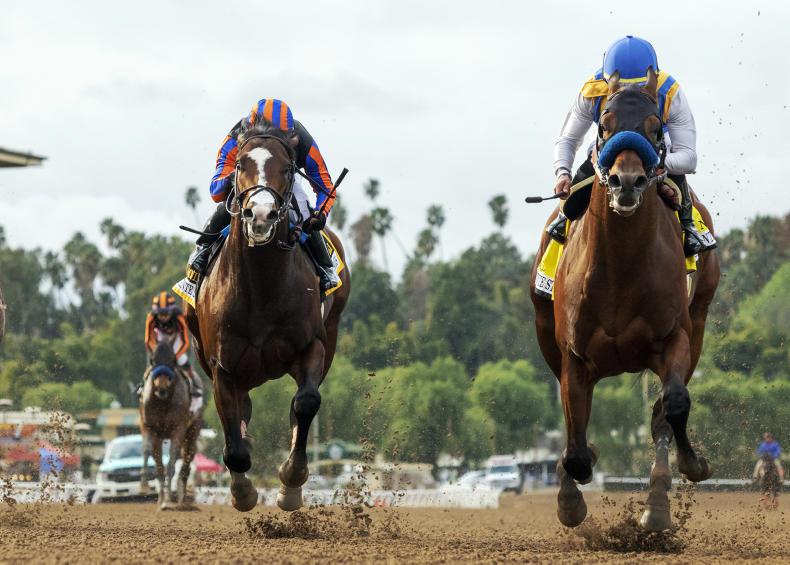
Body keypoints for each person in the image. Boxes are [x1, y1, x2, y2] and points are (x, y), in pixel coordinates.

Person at [548, 35, 716, 257]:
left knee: (679, 185)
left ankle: (689, 227)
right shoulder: (591, 90)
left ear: (653, 79)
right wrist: (562, 173)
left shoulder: (670, 91)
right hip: (607, 154)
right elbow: (568, 139)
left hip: (656, 152)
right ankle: (562, 226)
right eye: (621, 87)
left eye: (638, 86)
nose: (629, 93)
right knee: (570, 203)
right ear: (607, 81)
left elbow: (688, 158)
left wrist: (661, 163)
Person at [186, 98, 339, 291]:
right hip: (248, 176)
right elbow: (216, 192)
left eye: (278, 138)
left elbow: (325, 186)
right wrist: (235, 177)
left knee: (304, 209)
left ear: (291, 135)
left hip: (282, 176)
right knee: (232, 201)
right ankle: (203, 247)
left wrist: (321, 213)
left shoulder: (304, 141)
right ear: (249, 130)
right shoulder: (234, 138)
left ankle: (325, 265)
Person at [143, 292, 203, 414]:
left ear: (172, 311)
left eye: (166, 314)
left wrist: (175, 356)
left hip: (176, 338)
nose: (163, 317)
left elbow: (185, 341)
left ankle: (194, 386)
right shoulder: (151, 317)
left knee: (182, 360)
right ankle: (142, 386)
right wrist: (156, 354)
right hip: (159, 338)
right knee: (153, 363)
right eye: (160, 314)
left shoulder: (179, 316)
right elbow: (148, 340)